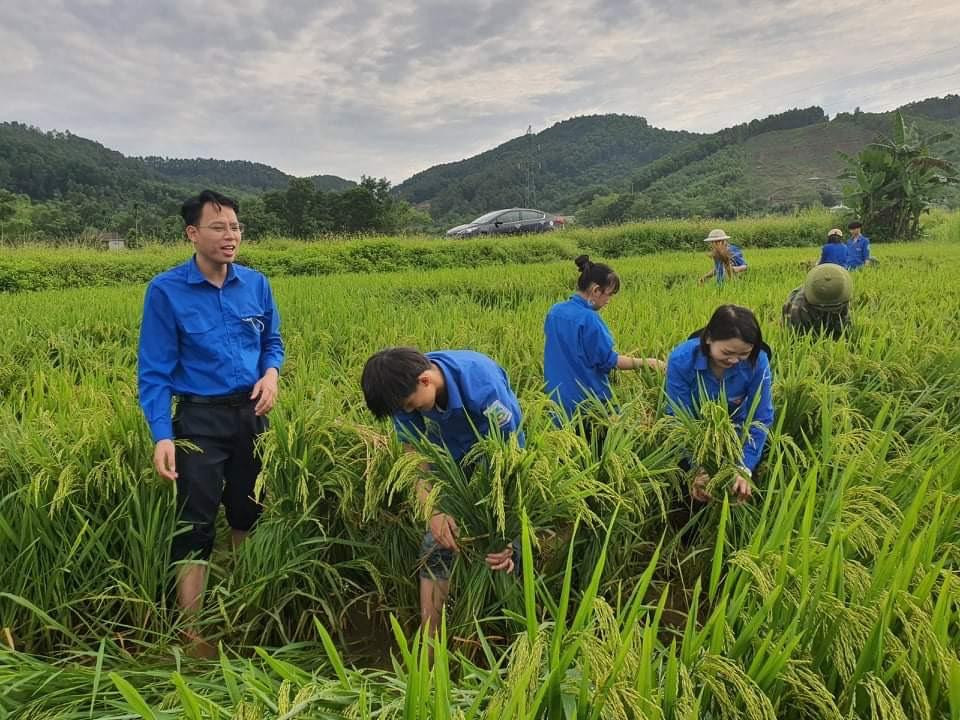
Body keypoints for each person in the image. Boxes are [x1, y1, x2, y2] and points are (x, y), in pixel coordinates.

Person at [138, 190, 284, 656]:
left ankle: (242, 610)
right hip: (199, 419)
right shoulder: (166, 291)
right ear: (192, 233)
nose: (230, 236)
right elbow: (154, 371)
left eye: (235, 227)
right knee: (195, 523)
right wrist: (162, 435)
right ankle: (192, 632)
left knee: (248, 513)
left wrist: (271, 374)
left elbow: (273, 342)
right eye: (218, 227)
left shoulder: (256, 284)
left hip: (251, 415)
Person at [361, 347, 523, 636]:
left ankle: (512, 628)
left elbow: (510, 460)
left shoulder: (483, 387)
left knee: (505, 550)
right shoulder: (403, 391)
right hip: (449, 461)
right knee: (435, 545)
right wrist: (433, 511)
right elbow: (414, 457)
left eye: (411, 406)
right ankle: (430, 643)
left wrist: (506, 530)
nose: (408, 412)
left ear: (425, 380)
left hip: (497, 457)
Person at [664, 305, 773, 503]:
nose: (734, 360)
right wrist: (697, 468)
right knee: (690, 496)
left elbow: (761, 417)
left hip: (738, 434)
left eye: (743, 354)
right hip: (694, 435)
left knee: (739, 494)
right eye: (727, 352)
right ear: (708, 338)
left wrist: (744, 467)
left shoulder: (758, 362)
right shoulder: (681, 360)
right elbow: (678, 418)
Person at [543, 255, 664, 422]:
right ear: (595, 291)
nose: (609, 301)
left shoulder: (555, 311)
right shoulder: (589, 319)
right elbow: (608, 361)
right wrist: (646, 362)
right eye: (609, 294)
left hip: (557, 401)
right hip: (587, 405)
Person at [783, 264, 852, 339]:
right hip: (803, 320)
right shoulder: (797, 309)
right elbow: (798, 338)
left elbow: (843, 324)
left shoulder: (840, 292)